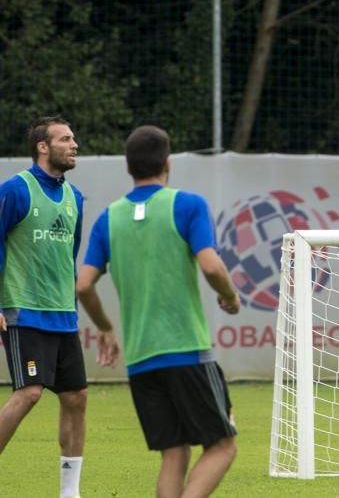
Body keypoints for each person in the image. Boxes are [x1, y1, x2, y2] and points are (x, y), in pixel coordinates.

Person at [76, 125, 241, 498]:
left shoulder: (108, 218)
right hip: (185, 350)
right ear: (168, 163)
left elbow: (83, 284)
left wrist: (104, 326)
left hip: (141, 359)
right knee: (222, 446)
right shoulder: (187, 205)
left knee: (173, 453)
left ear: (129, 168)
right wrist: (229, 297)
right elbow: (212, 266)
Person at [0, 116, 88, 498]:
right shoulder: (15, 190)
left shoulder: (76, 198)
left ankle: (70, 493)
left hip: (62, 316)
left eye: (74, 138)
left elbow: (70, 257)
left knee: (76, 398)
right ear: (42, 146)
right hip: (23, 311)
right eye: (66, 138)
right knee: (30, 392)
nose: (75, 145)